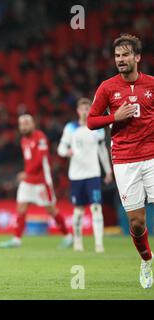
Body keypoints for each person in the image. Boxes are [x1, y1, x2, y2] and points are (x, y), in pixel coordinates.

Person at [87, 33, 154, 288]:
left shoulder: (151, 85)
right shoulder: (107, 88)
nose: (121, 59)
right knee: (136, 223)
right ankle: (146, 260)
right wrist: (115, 116)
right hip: (125, 159)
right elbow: (91, 121)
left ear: (137, 57)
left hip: (152, 155)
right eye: (117, 56)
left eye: (126, 55)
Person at [0, 114, 73, 249]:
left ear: (33, 124)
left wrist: (26, 173)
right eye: (21, 124)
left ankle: (68, 237)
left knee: (51, 210)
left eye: (27, 123)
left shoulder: (41, 138)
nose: (24, 126)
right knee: (21, 208)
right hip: (28, 181)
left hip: (42, 182)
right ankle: (16, 239)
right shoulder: (23, 140)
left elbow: (39, 161)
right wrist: (27, 175)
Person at [58, 98, 113, 253]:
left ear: (91, 110)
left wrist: (108, 170)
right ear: (77, 111)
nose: (84, 111)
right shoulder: (71, 128)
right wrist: (66, 152)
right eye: (82, 108)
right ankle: (77, 241)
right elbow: (61, 147)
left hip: (93, 174)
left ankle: (99, 244)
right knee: (79, 210)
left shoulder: (97, 129)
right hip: (76, 175)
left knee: (96, 208)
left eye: (87, 108)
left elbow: (102, 151)